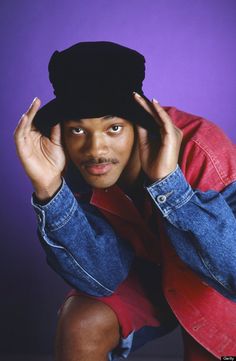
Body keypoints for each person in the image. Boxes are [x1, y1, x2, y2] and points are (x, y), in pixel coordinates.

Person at [14, 41, 236, 361]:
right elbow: (101, 280)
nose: (95, 150)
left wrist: (169, 184)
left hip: (209, 285)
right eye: (78, 130)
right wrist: (50, 190)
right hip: (144, 277)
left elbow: (231, 274)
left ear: (137, 124)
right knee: (81, 323)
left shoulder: (202, 149)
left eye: (113, 127)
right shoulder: (67, 161)